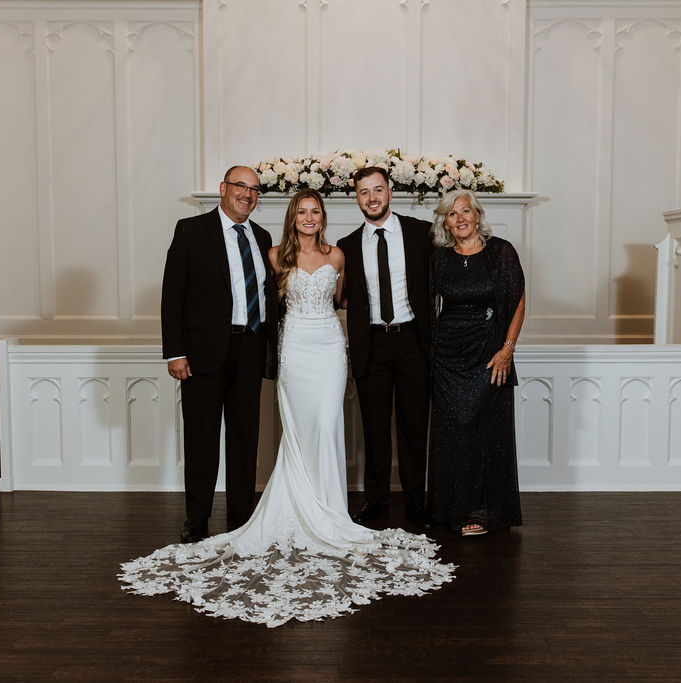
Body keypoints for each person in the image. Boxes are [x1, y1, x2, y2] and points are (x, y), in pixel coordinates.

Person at [120, 188, 453, 627]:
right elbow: (254, 303)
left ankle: (328, 509)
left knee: (328, 424)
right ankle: (283, 508)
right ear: (293, 217)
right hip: (295, 350)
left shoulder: (339, 257)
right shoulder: (273, 255)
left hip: (330, 349)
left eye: (316, 212)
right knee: (296, 429)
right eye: (303, 212)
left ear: (323, 217)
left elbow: (352, 302)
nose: (310, 218)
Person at [159, 166, 279, 543]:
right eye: (241, 186)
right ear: (224, 189)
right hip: (202, 353)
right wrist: (175, 352)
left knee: (245, 438)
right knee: (201, 438)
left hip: (250, 348)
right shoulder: (190, 230)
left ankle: (242, 516)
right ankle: (197, 518)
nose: (248, 194)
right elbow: (172, 295)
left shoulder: (262, 236)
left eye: (255, 189)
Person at [337, 167, 433, 529]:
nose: (372, 197)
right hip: (372, 344)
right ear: (357, 198)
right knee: (374, 431)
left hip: (412, 342)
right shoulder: (346, 246)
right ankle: (376, 501)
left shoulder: (421, 233)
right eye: (364, 192)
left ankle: (416, 504)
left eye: (378, 190)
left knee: (413, 428)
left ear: (390, 193)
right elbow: (343, 297)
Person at [427, 189, 525, 536]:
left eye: (465, 211)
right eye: (452, 215)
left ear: (478, 215)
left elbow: (517, 301)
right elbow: (430, 306)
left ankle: (485, 510)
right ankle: (452, 507)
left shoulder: (501, 251)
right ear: (446, 223)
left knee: (485, 432)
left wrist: (507, 349)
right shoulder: (439, 258)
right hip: (447, 357)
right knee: (452, 432)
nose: (461, 219)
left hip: (489, 355)